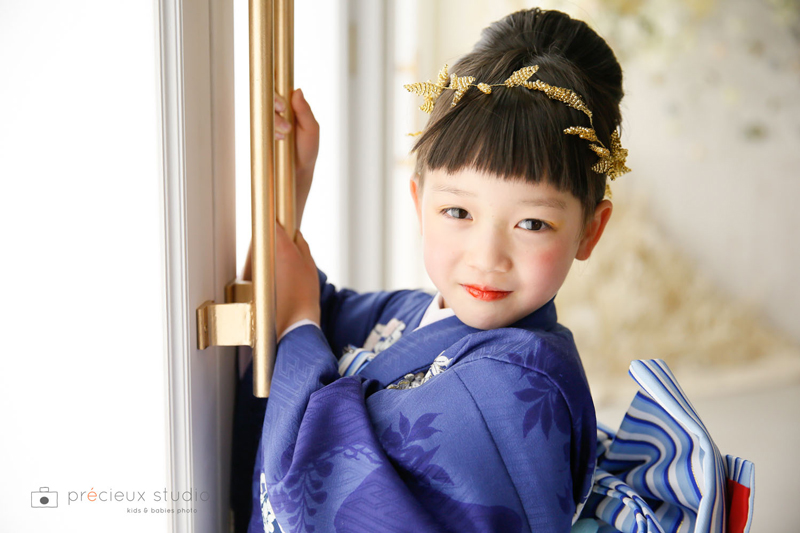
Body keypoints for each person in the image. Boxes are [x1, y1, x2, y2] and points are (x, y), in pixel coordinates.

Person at [235, 8, 754, 533]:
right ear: (419, 203)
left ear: (589, 231)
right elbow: (289, 310)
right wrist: (291, 187)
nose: (487, 257)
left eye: (532, 223)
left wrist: (298, 323)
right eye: (458, 212)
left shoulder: (517, 388)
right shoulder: (415, 315)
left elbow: (332, 487)